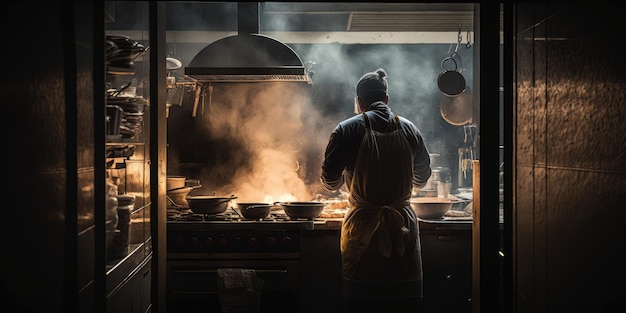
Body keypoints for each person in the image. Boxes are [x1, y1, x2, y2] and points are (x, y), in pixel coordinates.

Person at [320, 68, 432, 312]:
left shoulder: (346, 130)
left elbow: (329, 180)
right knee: (403, 302)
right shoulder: (411, 130)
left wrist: (345, 183)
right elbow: (423, 178)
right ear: (387, 99)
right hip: (402, 226)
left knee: (363, 301)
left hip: (362, 230)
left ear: (359, 102)